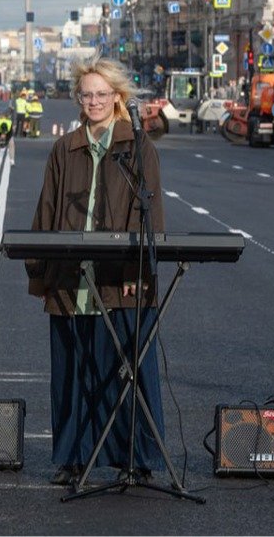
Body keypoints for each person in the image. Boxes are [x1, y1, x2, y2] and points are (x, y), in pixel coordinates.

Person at [26, 57, 166, 487]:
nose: (94, 101)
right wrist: (41, 275)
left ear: (117, 98)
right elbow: (46, 213)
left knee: (126, 372)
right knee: (72, 373)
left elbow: (150, 215)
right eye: (87, 94)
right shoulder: (64, 147)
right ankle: (72, 457)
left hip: (120, 282)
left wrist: (138, 272)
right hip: (71, 281)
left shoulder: (137, 147)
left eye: (102, 94)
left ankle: (136, 458)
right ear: (78, 99)